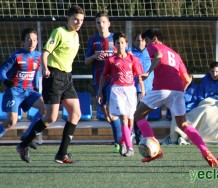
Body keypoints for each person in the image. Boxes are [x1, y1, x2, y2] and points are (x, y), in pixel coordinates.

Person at [134, 28, 218, 167]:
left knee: (138, 116)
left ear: (154, 39)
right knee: (183, 124)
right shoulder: (175, 54)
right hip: (177, 90)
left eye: (147, 40)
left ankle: (156, 149)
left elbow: (159, 55)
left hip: (161, 88)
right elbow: (187, 78)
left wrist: (148, 72)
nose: (146, 44)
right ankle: (206, 151)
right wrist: (179, 91)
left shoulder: (154, 46)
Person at [16, 5, 85, 163]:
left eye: (81, 20)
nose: (78, 22)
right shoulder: (59, 32)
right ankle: (23, 144)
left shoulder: (76, 35)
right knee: (50, 117)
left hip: (67, 78)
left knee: (76, 114)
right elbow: (46, 53)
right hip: (53, 76)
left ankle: (61, 154)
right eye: (76, 19)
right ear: (68, 18)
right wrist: (46, 69)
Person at [97, 32, 144, 157]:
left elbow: (139, 76)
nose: (120, 45)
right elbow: (103, 76)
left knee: (130, 121)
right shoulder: (111, 60)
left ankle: (123, 141)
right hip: (117, 90)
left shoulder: (133, 58)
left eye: (122, 42)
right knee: (123, 118)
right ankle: (130, 148)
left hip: (130, 90)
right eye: (118, 42)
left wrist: (143, 91)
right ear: (115, 45)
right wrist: (99, 92)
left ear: (126, 44)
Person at [0, 28, 45, 150]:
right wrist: (5, 81)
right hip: (14, 91)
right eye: (29, 40)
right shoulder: (16, 56)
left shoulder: (39, 56)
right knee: (10, 121)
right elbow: (2, 70)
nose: (32, 42)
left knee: (45, 108)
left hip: (28, 91)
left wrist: (35, 86)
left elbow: (35, 72)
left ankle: (26, 136)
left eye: (34, 40)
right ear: (22, 42)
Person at [85, 11, 122, 153]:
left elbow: (127, 55)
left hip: (114, 81)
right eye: (98, 23)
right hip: (98, 80)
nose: (101, 25)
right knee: (105, 112)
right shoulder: (93, 40)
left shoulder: (116, 39)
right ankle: (123, 134)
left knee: (113, 112)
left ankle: (119, 142)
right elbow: (86, 61)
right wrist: (95, 55)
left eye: (103, 22)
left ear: (108, 24)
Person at [132, 33, 154, 144]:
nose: (140, 42)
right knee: (137, 114)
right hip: (136, 89)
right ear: (134, 42)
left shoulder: (151, 52)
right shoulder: (130, 53)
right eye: (138, 40)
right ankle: (138, 137)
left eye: (142, 40)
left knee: (144, 115)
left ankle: (143, 137)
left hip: (149, 89)